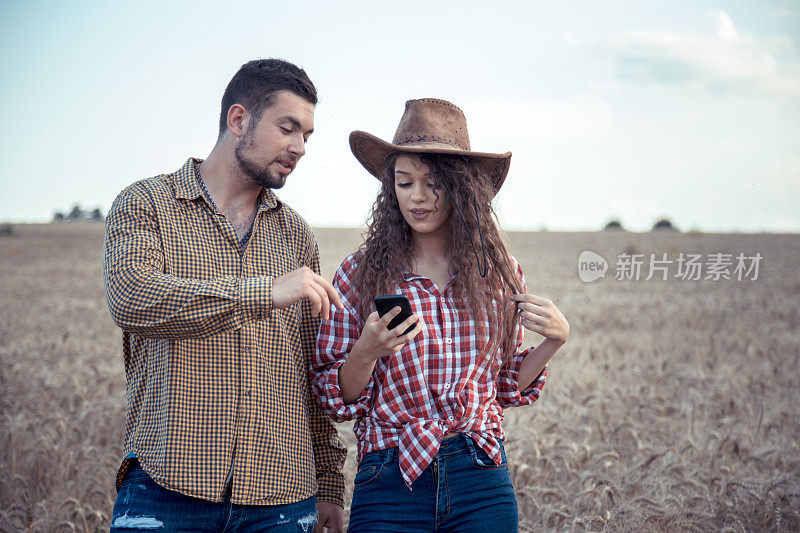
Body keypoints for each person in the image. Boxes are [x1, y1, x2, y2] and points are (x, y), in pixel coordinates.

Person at [103, 59, 347, 532]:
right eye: (288, 128)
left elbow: (309, 370)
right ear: (239, 120)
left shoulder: (296, 234)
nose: (300, 147)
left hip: (282, 500)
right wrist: (264, 292)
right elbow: (132, 297)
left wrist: (331, 484)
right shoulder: (146, 204)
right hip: (166, 487)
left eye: (307, 136)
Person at [311, 98, 569, 532]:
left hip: (481, 479)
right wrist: (366, 352)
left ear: (462, 187)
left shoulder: (497, 271)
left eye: (433, 182)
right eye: (404, 181)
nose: (417, 196)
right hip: (392, 478)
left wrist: (551, 343)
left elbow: (503, 384)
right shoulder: (360, 272)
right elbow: (335, 398)